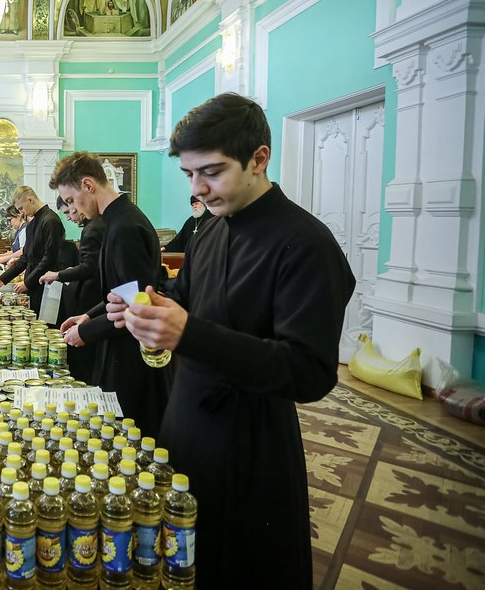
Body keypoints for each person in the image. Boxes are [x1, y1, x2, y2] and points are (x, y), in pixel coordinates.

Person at [106, 93, 356, 589]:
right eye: (189, 175)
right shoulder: (211, 229)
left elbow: (309, 372)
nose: (198, 189)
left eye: (213, 172)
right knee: (184, 563)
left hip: (251, 446)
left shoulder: (305, 243)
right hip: (188, 423)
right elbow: (186, 296)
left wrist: (187, 332)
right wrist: (143, 306)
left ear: (259, 159)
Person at [51, 152, 169, 434]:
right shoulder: (116, 219)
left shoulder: (124, 227)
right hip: (119, 340)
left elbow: (135, 304)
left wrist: (87, 332)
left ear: (88, 185)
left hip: (131, 352)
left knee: (130, 433)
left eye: (69, 200)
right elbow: (119, 292)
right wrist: (87, 316)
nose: (71, 207)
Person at [40, 196, 104, 383]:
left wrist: (58, 275)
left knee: (83, 358)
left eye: (68, 211)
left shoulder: (92, 229)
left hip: (91, 298)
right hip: (96, 300)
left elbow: (89, 268)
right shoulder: (97, 225)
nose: (68, 217)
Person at [0, 186, 64, 317]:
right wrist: (2, 279)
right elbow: (25, 258)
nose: (22, 213)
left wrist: (27, 282)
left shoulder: (51, 221)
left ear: (30, 199)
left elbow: (49, 259)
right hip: (33, 285)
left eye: (21, 208)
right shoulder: (32, 224)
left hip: (49, 286)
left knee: (47, 327)